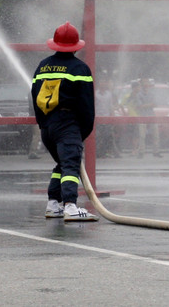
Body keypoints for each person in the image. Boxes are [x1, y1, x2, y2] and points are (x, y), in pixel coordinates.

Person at [30, 21, 98, 222]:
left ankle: (53, 204)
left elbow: (34, 96)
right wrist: (82, 131)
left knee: (62, 163)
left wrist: (43, 124)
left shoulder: (42, 66)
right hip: (68, 123)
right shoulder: (80, 68)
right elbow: (86, 104)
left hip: (47, 125)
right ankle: (70, 206)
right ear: (76, 46)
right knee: (70, 164)